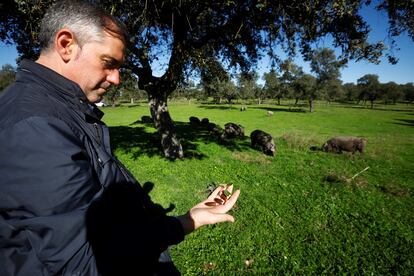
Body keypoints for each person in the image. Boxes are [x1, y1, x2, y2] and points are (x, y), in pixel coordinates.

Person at [0, 1, 240, 275]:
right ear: (66, 44)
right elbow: (88, 263)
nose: (116, 79)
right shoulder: (35, 127)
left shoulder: (60, 110)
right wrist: (180, 225)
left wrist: (187, 219)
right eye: (108, 63)